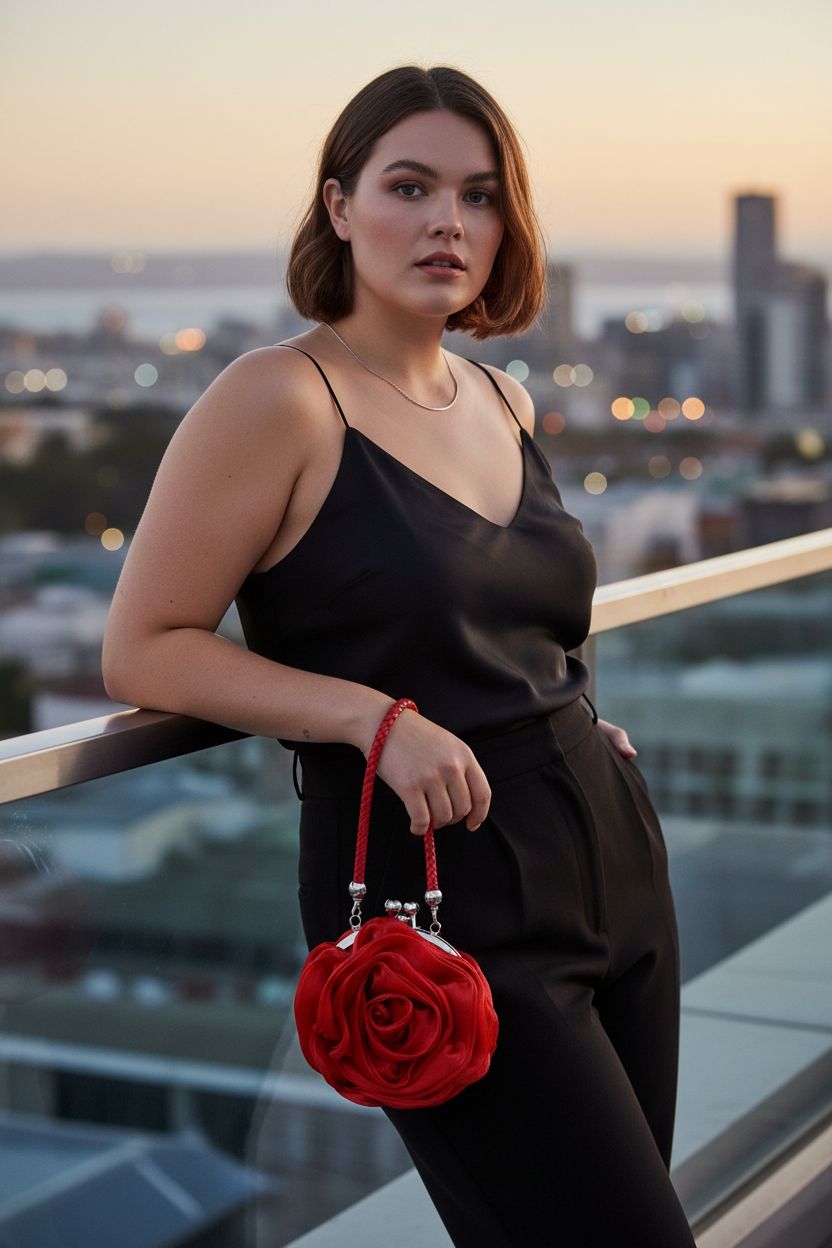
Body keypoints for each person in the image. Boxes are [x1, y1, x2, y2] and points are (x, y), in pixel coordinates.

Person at [102, 63, 696, 1248]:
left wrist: (571, 719)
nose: (447, 223)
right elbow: (142, 652)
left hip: (612, 855)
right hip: (437, 897)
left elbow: (524, 624)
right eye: (409, 185)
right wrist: (371, 718)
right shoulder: (278, 398)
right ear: (336, 205)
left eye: (478, 197)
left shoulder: (502, 399)